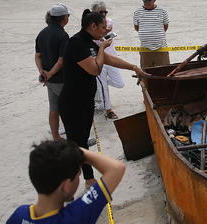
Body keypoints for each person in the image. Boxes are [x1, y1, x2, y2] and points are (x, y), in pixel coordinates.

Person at [59, 10, 146, 187]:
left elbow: (110, 60)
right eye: (103, 28)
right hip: (72, 103)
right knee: (78, 142)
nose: (105, 32)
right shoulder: (77, 44)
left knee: (80, 140)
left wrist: (134, 67)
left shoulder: (89, 42)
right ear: (93, 26)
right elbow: (95, 69)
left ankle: (77, 177)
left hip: (84, 101)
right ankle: (87, 180)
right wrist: (101, 48)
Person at [6, 140, 125, 224]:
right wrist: (77, 151)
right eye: (79, 174)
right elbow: (116, 168)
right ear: (66, 186)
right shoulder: (74, 217)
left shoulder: (19, 215)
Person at [35, 3, 71, 141]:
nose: (68, 18)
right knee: (69, 109)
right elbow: (62, 60)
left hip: (49, 80)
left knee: (54, 108)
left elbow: (38, 56)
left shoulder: (42, 33)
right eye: (67, 15)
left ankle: (56, 137)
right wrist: (50, 73)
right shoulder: (62, 35)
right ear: (63, 18)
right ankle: (73, 137)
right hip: (60, 79)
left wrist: (42, 72)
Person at [91, 1, 123, 120]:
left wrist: (105, 31)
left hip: (111, 57)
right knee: (103, 87)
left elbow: (107, 31)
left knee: (120, 83)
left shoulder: (109, 21)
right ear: (94, 12)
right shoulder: (90, 25)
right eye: (101, 12)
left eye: (105, 11)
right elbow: (97, 37)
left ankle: (101, 82)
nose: (104, 14)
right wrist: (104, 31)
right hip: (99, 58)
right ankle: (108, 110)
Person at [133, 0, 170, 69]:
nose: (147, 3)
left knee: (164, 72)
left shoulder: (162, 11)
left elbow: (165, 27)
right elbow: (137, 28)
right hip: (145, 50)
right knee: (146, 73)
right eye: (145, 0)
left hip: (161, 49)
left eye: (149, 0)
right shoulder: (137, 12)